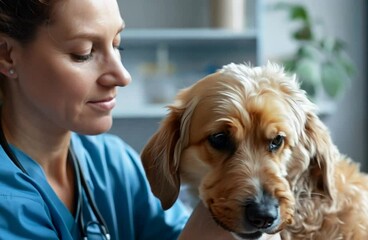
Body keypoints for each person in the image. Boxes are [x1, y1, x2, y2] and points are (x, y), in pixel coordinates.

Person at [0, 0, 281, 239]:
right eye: (83, 53)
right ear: (7, 54)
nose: (122, 76)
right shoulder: (7, 198)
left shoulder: (113, 163)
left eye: (117, 46)